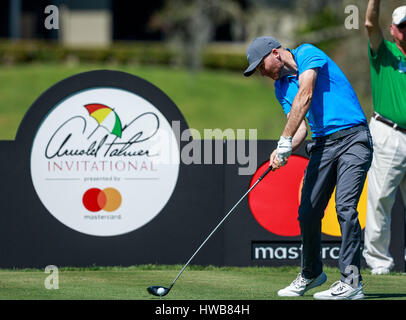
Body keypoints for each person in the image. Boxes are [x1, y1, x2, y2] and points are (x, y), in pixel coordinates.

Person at [244, 36, 373, 300]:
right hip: (323, 144)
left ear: (276, 53)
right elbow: (301, 127)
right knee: (308, 211)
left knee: (346, 207)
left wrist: (283, 140)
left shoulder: (307, 54)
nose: (262, 71)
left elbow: (307, 93)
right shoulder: (281, 87)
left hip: (353, 138)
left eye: (261, 65)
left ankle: (351, 282)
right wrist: (285, 149)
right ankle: (312, 272)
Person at [363, 2, 406, 275]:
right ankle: (378, 262)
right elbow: (369, 23)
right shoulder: (384, 51)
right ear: (393, 30)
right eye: (403, 27)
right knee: (380, 200)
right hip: (388, 133)